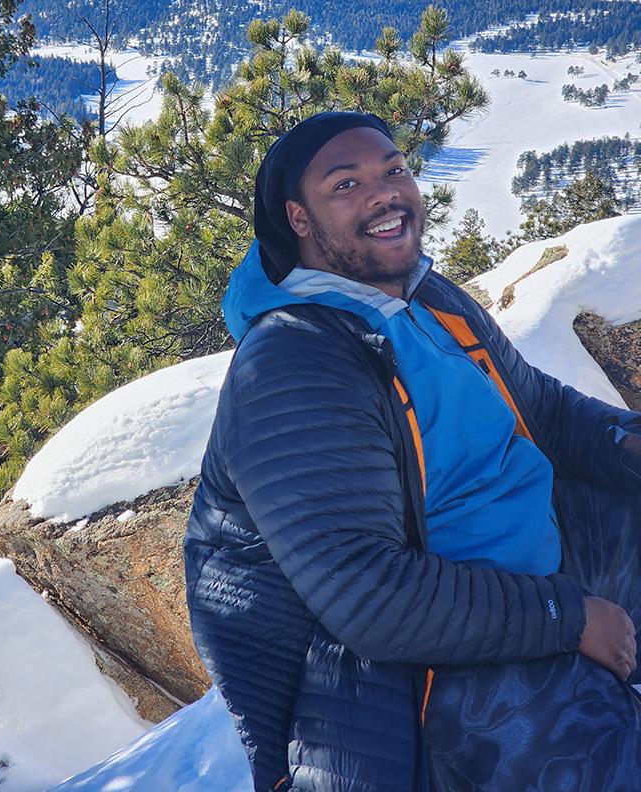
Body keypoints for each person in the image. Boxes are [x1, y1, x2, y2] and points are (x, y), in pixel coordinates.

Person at [183, 110, 641, 792]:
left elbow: (537, 408)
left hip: (536, 552)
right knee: (603, 754)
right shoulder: (294, 365)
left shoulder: (425, 297)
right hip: (416, 664)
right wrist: (567, 618)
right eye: (346, 184)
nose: (384, 192)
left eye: (393, 169)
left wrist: (626, 443)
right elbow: (369, 596)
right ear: (299, 219)